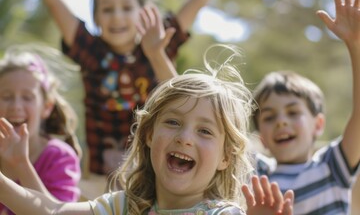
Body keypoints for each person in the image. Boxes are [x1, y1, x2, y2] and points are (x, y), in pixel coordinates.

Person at [0, 46, 294, 214]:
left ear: (225, 157)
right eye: (173, 122)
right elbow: (52, 211)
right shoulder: (125, 206)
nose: (184, 137)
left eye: (205, 131)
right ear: (149, 135)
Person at [37, 0, 223, 175]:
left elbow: (197, 1)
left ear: (143, 14)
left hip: (155, 170)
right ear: (96, 18)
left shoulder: (157, 39)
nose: (117, 16)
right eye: (107, 9)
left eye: (126, 8)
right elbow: (54, 1)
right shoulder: (91, 51)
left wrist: (157, 52)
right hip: (104, 173)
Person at [251, 0, 360, 214]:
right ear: (261, 138)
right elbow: (203, 110)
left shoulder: (332, 166)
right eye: (269, 117)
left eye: (293, 112)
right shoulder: (256, 177)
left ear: (318, 124)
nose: (281, 121)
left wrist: (355, 45)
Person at [0, 45, 83, 214]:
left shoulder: (59, 158)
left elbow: (58, 212)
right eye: (6, 97)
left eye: (27, 97)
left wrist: (21, 164)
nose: (16, 106)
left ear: (46, 107)